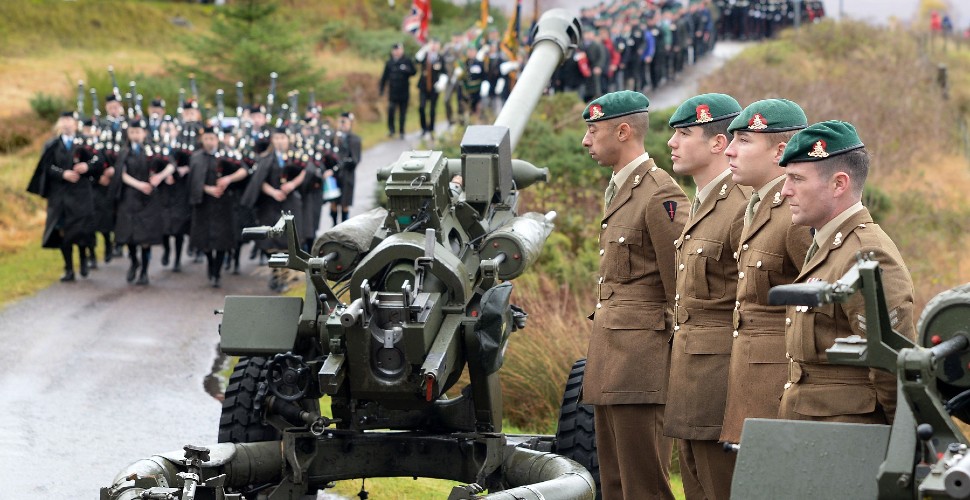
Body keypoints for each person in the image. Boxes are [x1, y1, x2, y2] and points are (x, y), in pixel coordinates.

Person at [580, 90, 689, 500]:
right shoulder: (622, 188)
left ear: (623, 131)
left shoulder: (660, 194)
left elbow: (681, 288)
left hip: (642, 363)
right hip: (612, 359)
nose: (586, 141)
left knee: (644, 486)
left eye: (593, 130)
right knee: (614, 485)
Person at [778, 120, 915, 423]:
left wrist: (901, 445)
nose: (785, 191)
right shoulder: (827, 244)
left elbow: (893, 367)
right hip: (815, 430)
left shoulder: (866, 254)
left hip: (847, 438)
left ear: (839, 184)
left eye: (796, 179)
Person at [663, 93, 748, 500]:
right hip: (691, 375)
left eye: (684, 133)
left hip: (722, 381)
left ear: (718, 142)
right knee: (696, 485)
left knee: (720, 488)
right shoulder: (701, 202)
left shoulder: (742, 205)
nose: (672, 143)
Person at [719, 99, 813, 444]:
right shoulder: (753, 209)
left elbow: (822, 311)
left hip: (776, 388)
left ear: (781, 151)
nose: (729, 151)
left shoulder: (795, 217)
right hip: (748, 380)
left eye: (744, 141)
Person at [26, 111, 98, 282]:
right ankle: (69, 269)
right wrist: (62, 174)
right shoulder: (52, 145)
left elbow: (98, 161)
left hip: (81, 193)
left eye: (69, 121)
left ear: (75, 124)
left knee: (81, 230)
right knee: (63, 232)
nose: (66, 124)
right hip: (60, 196)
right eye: (63, 121)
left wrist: (86, 167)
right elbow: (47, 166)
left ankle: (83, 261)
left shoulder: (86, 143)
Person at [240, 127, 307, 291]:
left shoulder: (297, 157)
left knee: (288, 242)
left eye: (282, 138)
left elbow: (307, 171)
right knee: (271, 241)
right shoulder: (266, 159)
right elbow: (258, 180)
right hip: (270, 205)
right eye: (276, 138)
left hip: (290, 203)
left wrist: (292, 185)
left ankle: (283, 278)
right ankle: (275, 273)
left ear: (288, 139)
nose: (279, 141)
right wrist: (273, 192)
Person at [112, 119, 174, 285]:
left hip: (149, 200)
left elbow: (170, 165)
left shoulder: (153, 150)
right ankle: (134, 262)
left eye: (138, 132)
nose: (135, 135)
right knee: (130, 237)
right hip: (130, 198)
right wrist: (139, 185)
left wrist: (159, 177)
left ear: (144, 133)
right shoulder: (124, 152)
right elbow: (121, 174)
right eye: (132, 132)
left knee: (146, 239)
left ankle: (145, 271)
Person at [189, 126, 248, 287]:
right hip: (204, 204)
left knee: (222, 240)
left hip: (223, 205)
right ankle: (210, 262)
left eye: (212, 138)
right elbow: (192, 181)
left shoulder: (227, 155)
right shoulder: (196, 157)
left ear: (217, 139)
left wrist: (229, 179)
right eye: (206, 138)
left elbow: (244, 170)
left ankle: (217, 271)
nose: (209, 142)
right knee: (205, 239)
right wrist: (207, 189)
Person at [379, 43, 416, 140]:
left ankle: (402, 131)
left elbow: (413, 72)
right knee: (391, 110)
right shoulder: (389, 62)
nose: (396, 52)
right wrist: (381, 89)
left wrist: (406, 69)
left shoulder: (407, 60)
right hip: (393, 91)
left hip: (404, 91)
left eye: (398, 50)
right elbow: (384, 77)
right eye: (395, 50)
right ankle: (391, 130)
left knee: (402, 112)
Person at [333, 112, 361, 225]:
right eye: (341, 122)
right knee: (334, 202)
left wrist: (342, 164)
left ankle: (343, 226)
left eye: (345, 122)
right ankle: (334, 226)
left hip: (347, 175)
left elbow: (355, 159)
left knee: (345, 203)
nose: (343, 124)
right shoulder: (334, 138)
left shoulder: (354, 139)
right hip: (335, 176)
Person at [415, 39, 446, 140]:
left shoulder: (440, 57)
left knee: (432, 109)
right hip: (423, 86)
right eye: (432, 44)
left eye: (436, 44)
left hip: (434, 87)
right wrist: (424, 49)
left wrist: (441, 83)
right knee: (422, 107)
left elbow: (444, 72)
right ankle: (424, 128)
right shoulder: (425, 55)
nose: (434, 46)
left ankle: (432, 129)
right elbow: (416, 60)